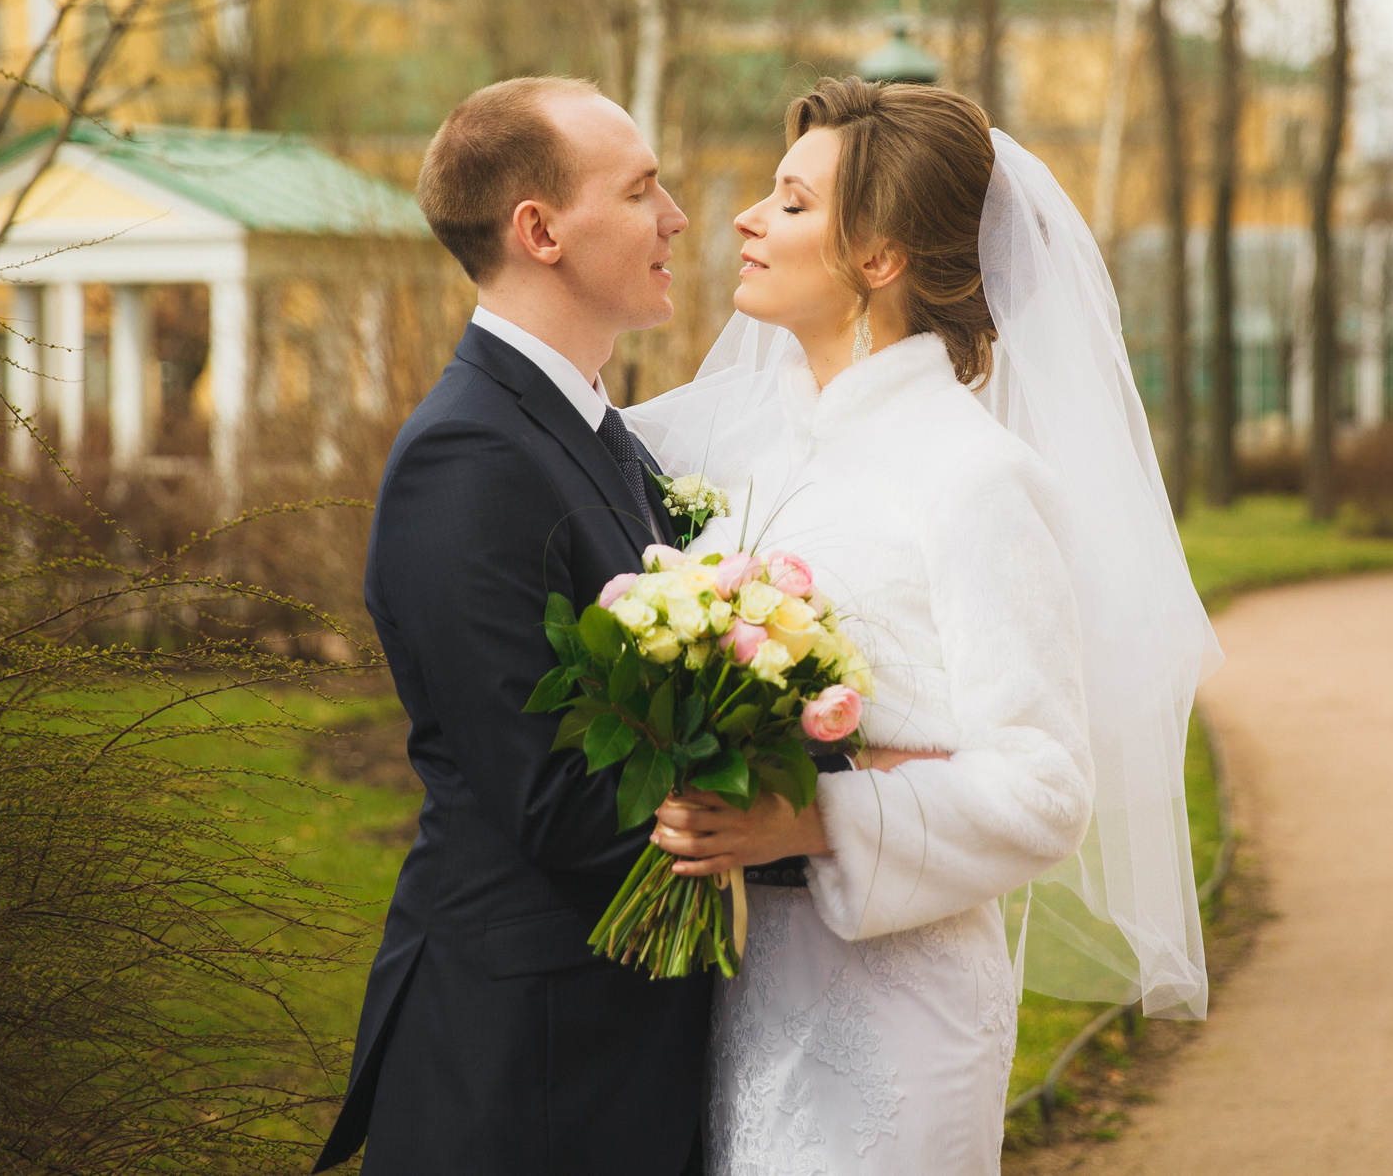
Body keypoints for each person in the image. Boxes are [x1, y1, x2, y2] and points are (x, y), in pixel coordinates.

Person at [626, 79, 1218, 1176]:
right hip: (746, 1000)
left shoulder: (973, 478)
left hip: (897, 1019)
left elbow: (1045, 786)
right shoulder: (752, 449)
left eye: (791, 204)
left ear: (878, 258)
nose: (747, 221)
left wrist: (806, 821)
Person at [312, 77, 709, 1175]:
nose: (675, 219)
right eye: (640, 192)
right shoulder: (470, 458)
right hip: (527, 1067)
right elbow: (555, 801)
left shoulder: (589, 430)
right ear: (538, 231)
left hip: (609, 1043)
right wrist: (812, 817)